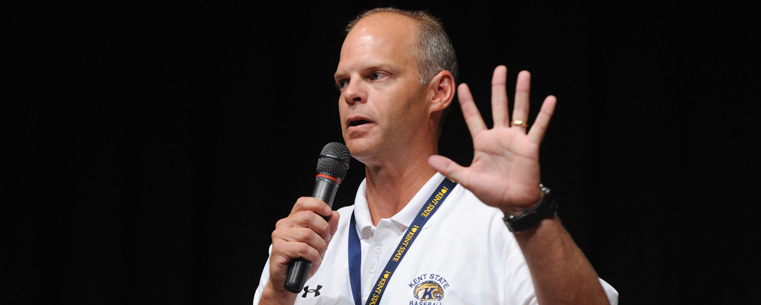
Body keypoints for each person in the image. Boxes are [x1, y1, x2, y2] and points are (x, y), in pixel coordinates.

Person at [253, 7, 618, 305]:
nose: (352, 94)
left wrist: (531, 213)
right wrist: (275, 294)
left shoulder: (499, 226)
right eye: (343, 82)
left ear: (439, 91)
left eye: (376, 75)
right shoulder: (307, 244)